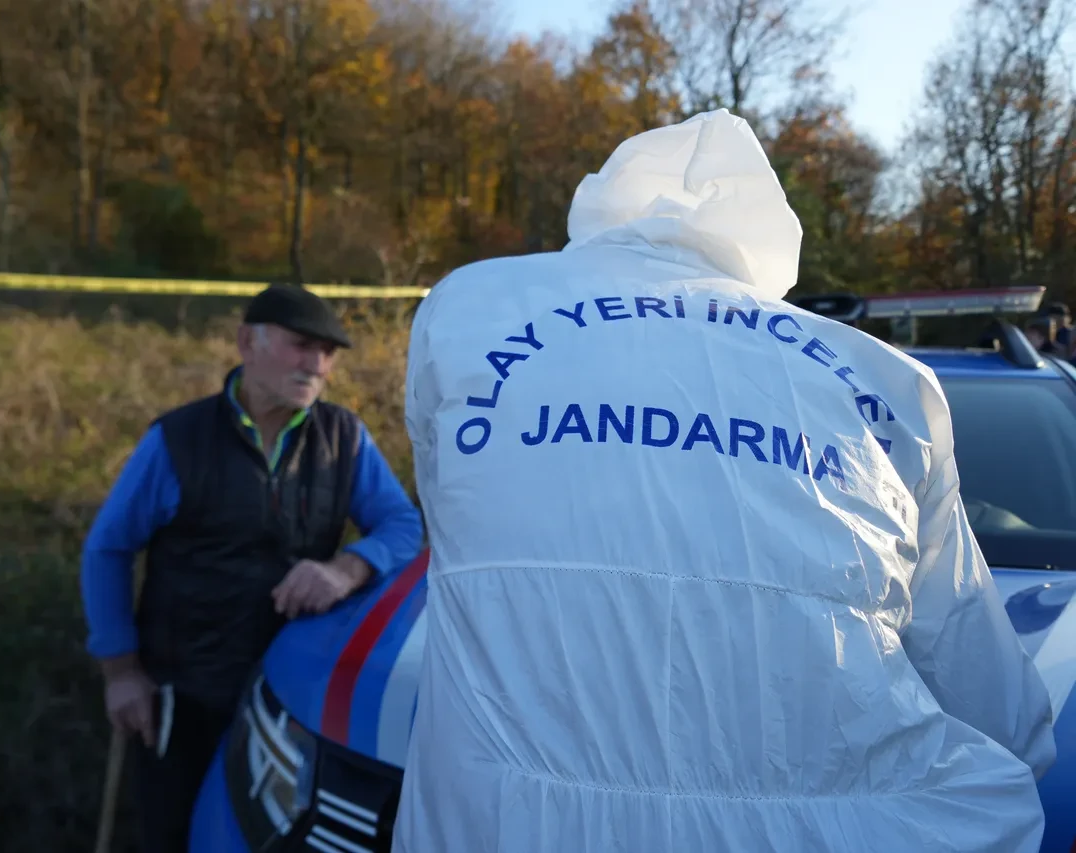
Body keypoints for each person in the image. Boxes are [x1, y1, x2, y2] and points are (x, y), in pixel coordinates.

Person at [394, 109, 1056, 852]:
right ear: (766, 241)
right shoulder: (890, 382)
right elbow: (1001, 710)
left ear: (601, 213)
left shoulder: (471, 308)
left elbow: (447, 494)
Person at [80, 283, 424, 853]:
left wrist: (346, 568)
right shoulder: (177, 440)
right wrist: (120, 672)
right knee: (173, 832)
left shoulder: (344, 438)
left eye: (328, 352)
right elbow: (107, 550)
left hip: (287, 698)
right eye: (300, 345)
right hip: (182, 693)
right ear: (247, 342)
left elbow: (402, 526)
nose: (316, 364)